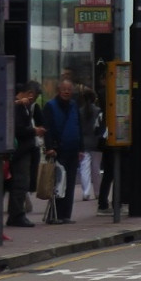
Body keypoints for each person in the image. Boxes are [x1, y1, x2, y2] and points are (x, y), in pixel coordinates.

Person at [38, 75, 88, 224]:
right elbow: (47, 128)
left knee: (70, 183)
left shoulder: (74, 105)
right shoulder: (50, 106)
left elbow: (79, 127)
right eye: (64, 89)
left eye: (69, 89)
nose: (66, 92)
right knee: (58, 183)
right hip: (58, 150)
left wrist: (81, 148)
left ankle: (66, 214)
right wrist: (49, 147)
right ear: (58, 90)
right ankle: (54, 215)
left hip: (73, 150)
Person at [8, 81, 42, 228]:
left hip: (26, 150)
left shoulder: (24, 107)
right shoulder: (17, 107)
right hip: (20, 151)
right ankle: (16, 215)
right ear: (30, 94)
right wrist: (34, 131)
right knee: (20, 183)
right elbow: (18, 129)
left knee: (23, 183)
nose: (33, 100)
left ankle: (17, 213)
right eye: (34, 97)